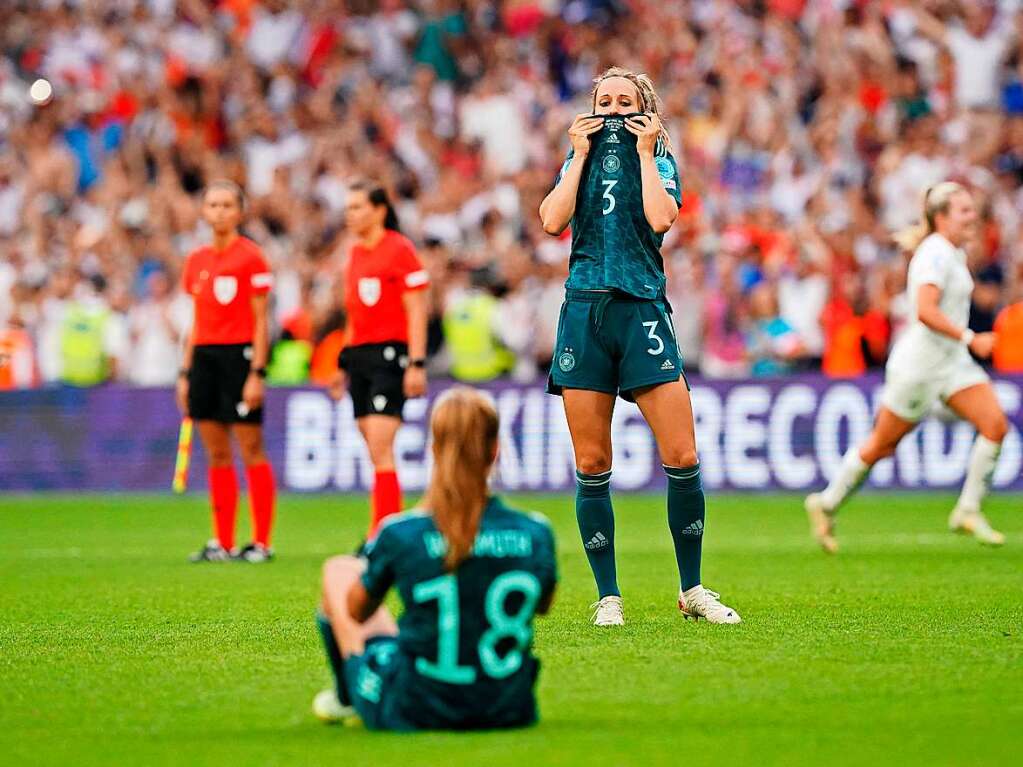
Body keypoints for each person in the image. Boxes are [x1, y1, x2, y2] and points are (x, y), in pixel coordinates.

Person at [538, 67, 740, 627]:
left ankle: (692, 589)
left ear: (646, 109)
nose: (615, 110)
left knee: (682, 456)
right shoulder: (573, 159)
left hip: (641, 309)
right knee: (593, 462)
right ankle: (608, 595)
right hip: (584, 309)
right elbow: (553, 220)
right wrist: (577, 155)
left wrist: (647, 154)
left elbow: (660, 218)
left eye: (626, 101)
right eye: (606, 101)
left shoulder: (662, 163)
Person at [312, 387, 557, 730]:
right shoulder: (535, 531)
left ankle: (346, 696)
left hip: (417, 705)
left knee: (339, 570)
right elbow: (542, 605)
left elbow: (356, 611)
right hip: (508, 706)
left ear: (434, 451)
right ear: (495, 451)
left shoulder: (402, 532)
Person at [806, 182, 1010, 550]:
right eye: (964, 210)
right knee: (882, 445)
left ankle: (967, 509)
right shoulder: (934, 254)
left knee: (995, 425)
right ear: (942, 217)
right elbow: (925, 311)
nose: (972, 216)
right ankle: (826, 502)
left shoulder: (952, 253)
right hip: (921, 366)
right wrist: (969, 338)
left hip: (952, 363)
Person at [177, 180, 277, 563]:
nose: (219, 212)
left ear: (240, 212)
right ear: (203, 211)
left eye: (226, 205)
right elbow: (196, 321)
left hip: (240, 357)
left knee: (251, 448)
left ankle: (262, 542)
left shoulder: (251, 257)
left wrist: (257, 371)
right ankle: (223, 541)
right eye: (212, 204)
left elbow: (260, 320)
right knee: (216, 451)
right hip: (204, 358)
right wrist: (185, 372)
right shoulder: (196, 260)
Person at [328, 181, 429, 535]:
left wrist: (416, 363)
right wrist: (342, 362)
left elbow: (416, 310)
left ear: (379, 210)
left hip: (391, 353)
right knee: (373, 446)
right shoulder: (354, 254)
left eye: (357, 207)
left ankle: (381, 533)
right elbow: (354, 313)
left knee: (380, 443)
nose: (350, 215)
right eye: (348, 208)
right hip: (360, 355)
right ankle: (385, 528)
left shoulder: (400, 249)